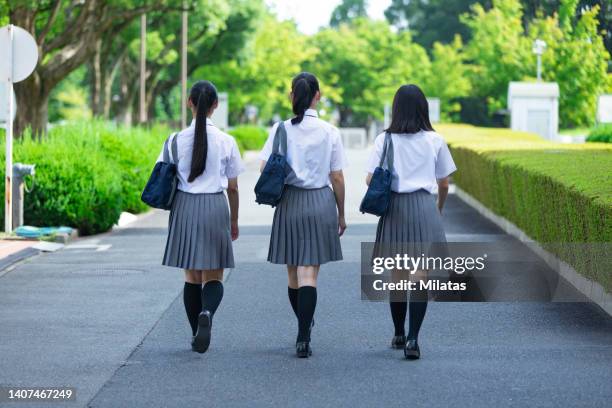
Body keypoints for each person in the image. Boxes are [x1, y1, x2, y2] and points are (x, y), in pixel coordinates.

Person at [259, 72, 347, 358]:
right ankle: (304, 334)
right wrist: (341, 213)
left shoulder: (280, 129)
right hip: (321, 202)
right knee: (310, 273)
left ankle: (302, 327)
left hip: (289, 203)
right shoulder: (330, 131)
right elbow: (337, 177)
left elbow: (263, 169)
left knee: (293, 273)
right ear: (318, 96)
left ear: (292, 96)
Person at [366, 84, 457, 360]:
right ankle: (414, 339)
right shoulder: (435, 140)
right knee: (420, 276)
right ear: (423, 108)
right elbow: (444, 183)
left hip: (394, 208)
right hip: (424, 208)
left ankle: (398, 333)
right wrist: (438, 208)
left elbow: (370, 178)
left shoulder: (385, 140)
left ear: (396, 109)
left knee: (397, 276)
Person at [159, 80, 244, 354]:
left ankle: (196, 331)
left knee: (191, 276)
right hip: (215, 206)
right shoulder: (226, 141)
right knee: (214, 274)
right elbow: (233, 186)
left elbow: (163, 174)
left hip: (184, 207)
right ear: (215, 106)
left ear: (189, 103)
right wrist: (234, 220)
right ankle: (207, 312)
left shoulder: (173, 140)